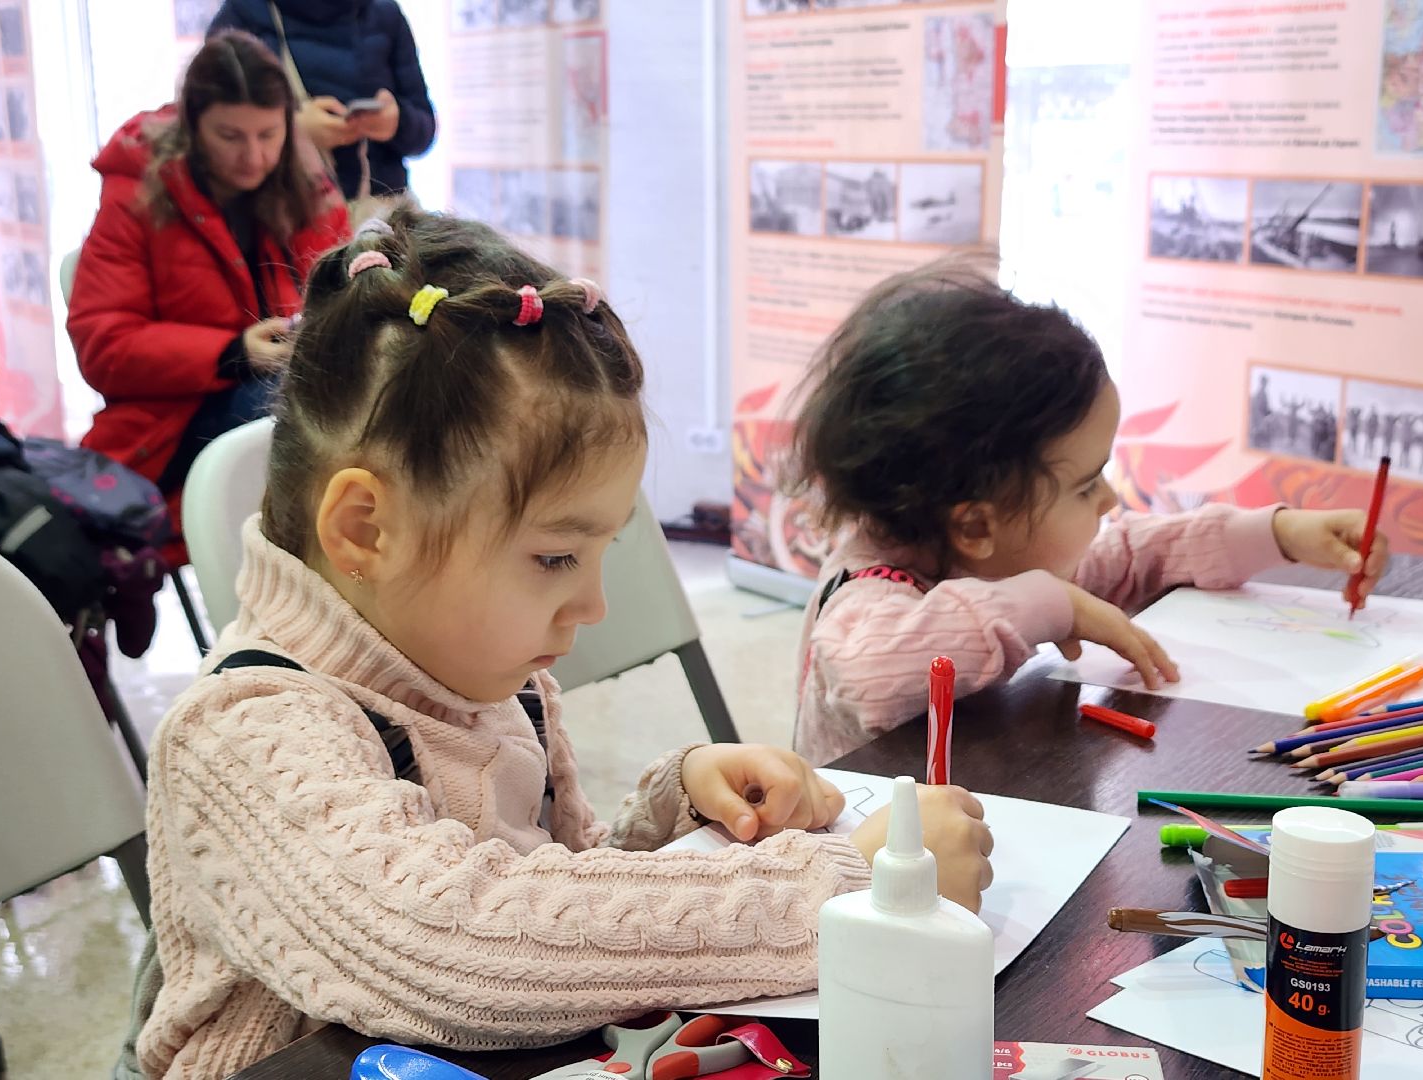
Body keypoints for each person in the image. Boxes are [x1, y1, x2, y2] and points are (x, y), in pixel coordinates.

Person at [126, 211, 994, 1079]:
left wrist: (674, 807)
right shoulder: (240, 733)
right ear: (365, 530)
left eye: (600, 552)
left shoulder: (487, 676)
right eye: (554, 558)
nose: (594, 605)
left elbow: (560, 908)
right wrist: (847, 890)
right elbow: (451, 945)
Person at [790, 259, 1391, 764]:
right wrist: (1054, 604)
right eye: (1084, 486)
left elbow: (1131, 553)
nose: (1109, 499)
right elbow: (872, 673)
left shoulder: (999, 549)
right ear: (974, 524)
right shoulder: (866, 593)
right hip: (860, 855)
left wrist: (1277, 533)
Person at [68, 32, 349, 564]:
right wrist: (231, 352)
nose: (253, 156)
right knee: (316, 437)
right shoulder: (138, 191)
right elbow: (102, 345)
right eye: (230, 136)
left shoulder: (303, 184)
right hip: (173, 425)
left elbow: (337, 290)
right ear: (193, 125)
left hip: (279, 401)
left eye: (269, 134)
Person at [207, 0, 437, 203]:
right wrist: (292, 131)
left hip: (378, 208)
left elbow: (424, 131)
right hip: (285, 212)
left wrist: (396, 122)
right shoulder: (243, 12)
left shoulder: (384, 14)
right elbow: (210, 127)